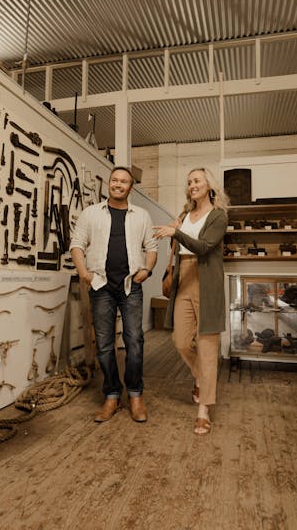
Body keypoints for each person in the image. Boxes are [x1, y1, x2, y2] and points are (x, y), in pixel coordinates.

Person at [70, 166, 158, 423]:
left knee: (134, 342)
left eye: (124, 182)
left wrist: (148, 270)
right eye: (114, 180)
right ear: (109, 183)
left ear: (131, 188)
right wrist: (84, 273)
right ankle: (111, 395)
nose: (118, 184)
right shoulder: (90, 213)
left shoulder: (141, 215)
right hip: (101, 285)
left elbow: (151, 247)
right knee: (105, 345)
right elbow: (77, 244)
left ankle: (135, 395)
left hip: (131, 285)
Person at [153, 167, 228, 435]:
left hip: (207, 281)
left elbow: (204, 247)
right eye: (189, 182)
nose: (192, 185)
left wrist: (176, 233)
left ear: (209, 185)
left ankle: (203, 411)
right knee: (180, 340)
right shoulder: (184, 215)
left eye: (196, 180)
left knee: (207, 346)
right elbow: (178, 250)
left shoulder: (218, 216)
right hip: (184, 277)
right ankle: (201, 377)